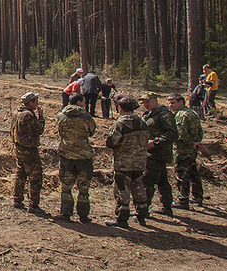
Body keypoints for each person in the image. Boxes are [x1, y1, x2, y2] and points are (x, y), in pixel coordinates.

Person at [106, 96, 150, 227]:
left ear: (120, 108)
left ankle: (122, 217)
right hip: (140, 161)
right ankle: (141, 214)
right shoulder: (143, 122)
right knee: (138, 187)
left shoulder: (120, 123)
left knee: (122, 190)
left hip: (124, 162)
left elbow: (112, 142)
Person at [57, 92, 96, 222]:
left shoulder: (61, 116)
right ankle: (83, 215)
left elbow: (60, 132)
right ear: (79, 102)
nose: (85, 104)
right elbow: (91, 132)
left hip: (66, 154)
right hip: (83, 156)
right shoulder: (87, 117)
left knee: (66, 186)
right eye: (84, 101)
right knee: (83, 187)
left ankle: (65, 214)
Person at [141, 91, 178, 217]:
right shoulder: (148, 114)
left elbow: (172, 134)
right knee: (162, 181)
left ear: (155, 101)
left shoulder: (164, 115)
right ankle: (167, 207)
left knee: (147, 181)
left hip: (157, 154)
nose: (145, 104)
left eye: (147, 101)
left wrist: (155, 143)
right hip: (150, 153)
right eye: (144, 102)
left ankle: (143, 209)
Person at [11, 92, 45, 214]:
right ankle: (33, 204)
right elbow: (39, 130)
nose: (37, 103)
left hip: (19, 148)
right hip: (29, 150)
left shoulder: (17, 113)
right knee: (35, 177)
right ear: (30, 102)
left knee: (21, 174)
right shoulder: (28, 115)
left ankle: (17, 200)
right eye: (36, 101)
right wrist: (41, 117)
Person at [169, 93, 204, 210]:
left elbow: (181, 133)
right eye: (169, 103)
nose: (170, 105)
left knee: (182, 175)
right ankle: (197, 197)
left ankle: (183, 200)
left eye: (173, 103)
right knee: (194, 173)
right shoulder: (192, 113)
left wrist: (191, 143)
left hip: (182, 150)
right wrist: (197, 142)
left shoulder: (180, 115)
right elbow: (200, 130)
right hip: (192, 150)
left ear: (181, 102)